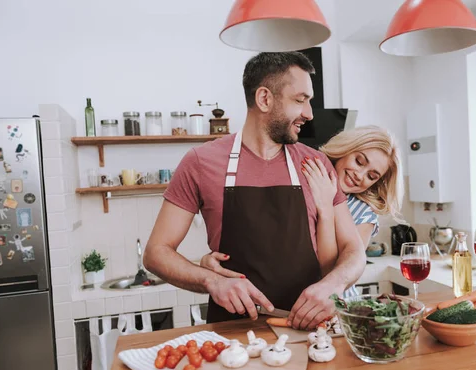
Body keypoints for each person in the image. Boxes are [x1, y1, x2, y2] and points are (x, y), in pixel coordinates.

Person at [144, 52, 365, 330]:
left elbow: (354, 250)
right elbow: (156, 252)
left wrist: (333, 285)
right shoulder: (200, 162)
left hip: (310, 330)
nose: (309, 113)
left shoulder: (316, 165)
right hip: (231, 333)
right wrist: (211, 280)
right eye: (300, 100)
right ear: (264, 99)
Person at [301, 126, 404, 297]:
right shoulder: (310, 177)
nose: (360, 175)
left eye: (371, 176)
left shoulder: (364, 214)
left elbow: (330, 271)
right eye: (359, 161)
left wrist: (327, 206)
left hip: (335, 305)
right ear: (345, 149)